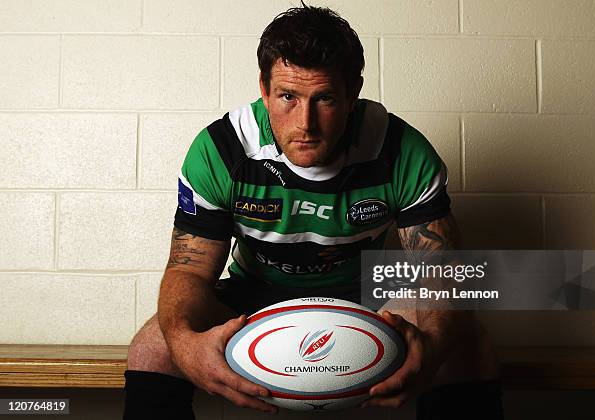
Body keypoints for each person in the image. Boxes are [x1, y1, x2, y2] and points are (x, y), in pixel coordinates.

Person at [122, 3, 503, 419]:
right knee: (153, 347)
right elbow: (189, 270)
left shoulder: (399, 149)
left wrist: (431, 353)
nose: (305, 123)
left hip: (365, 297)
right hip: (253, 297)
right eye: (288, 96)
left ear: (352, 93)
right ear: (264, 90)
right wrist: (182, 343)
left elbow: (439, 270)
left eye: (324, 98)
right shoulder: (222, 150)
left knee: (467, 345)